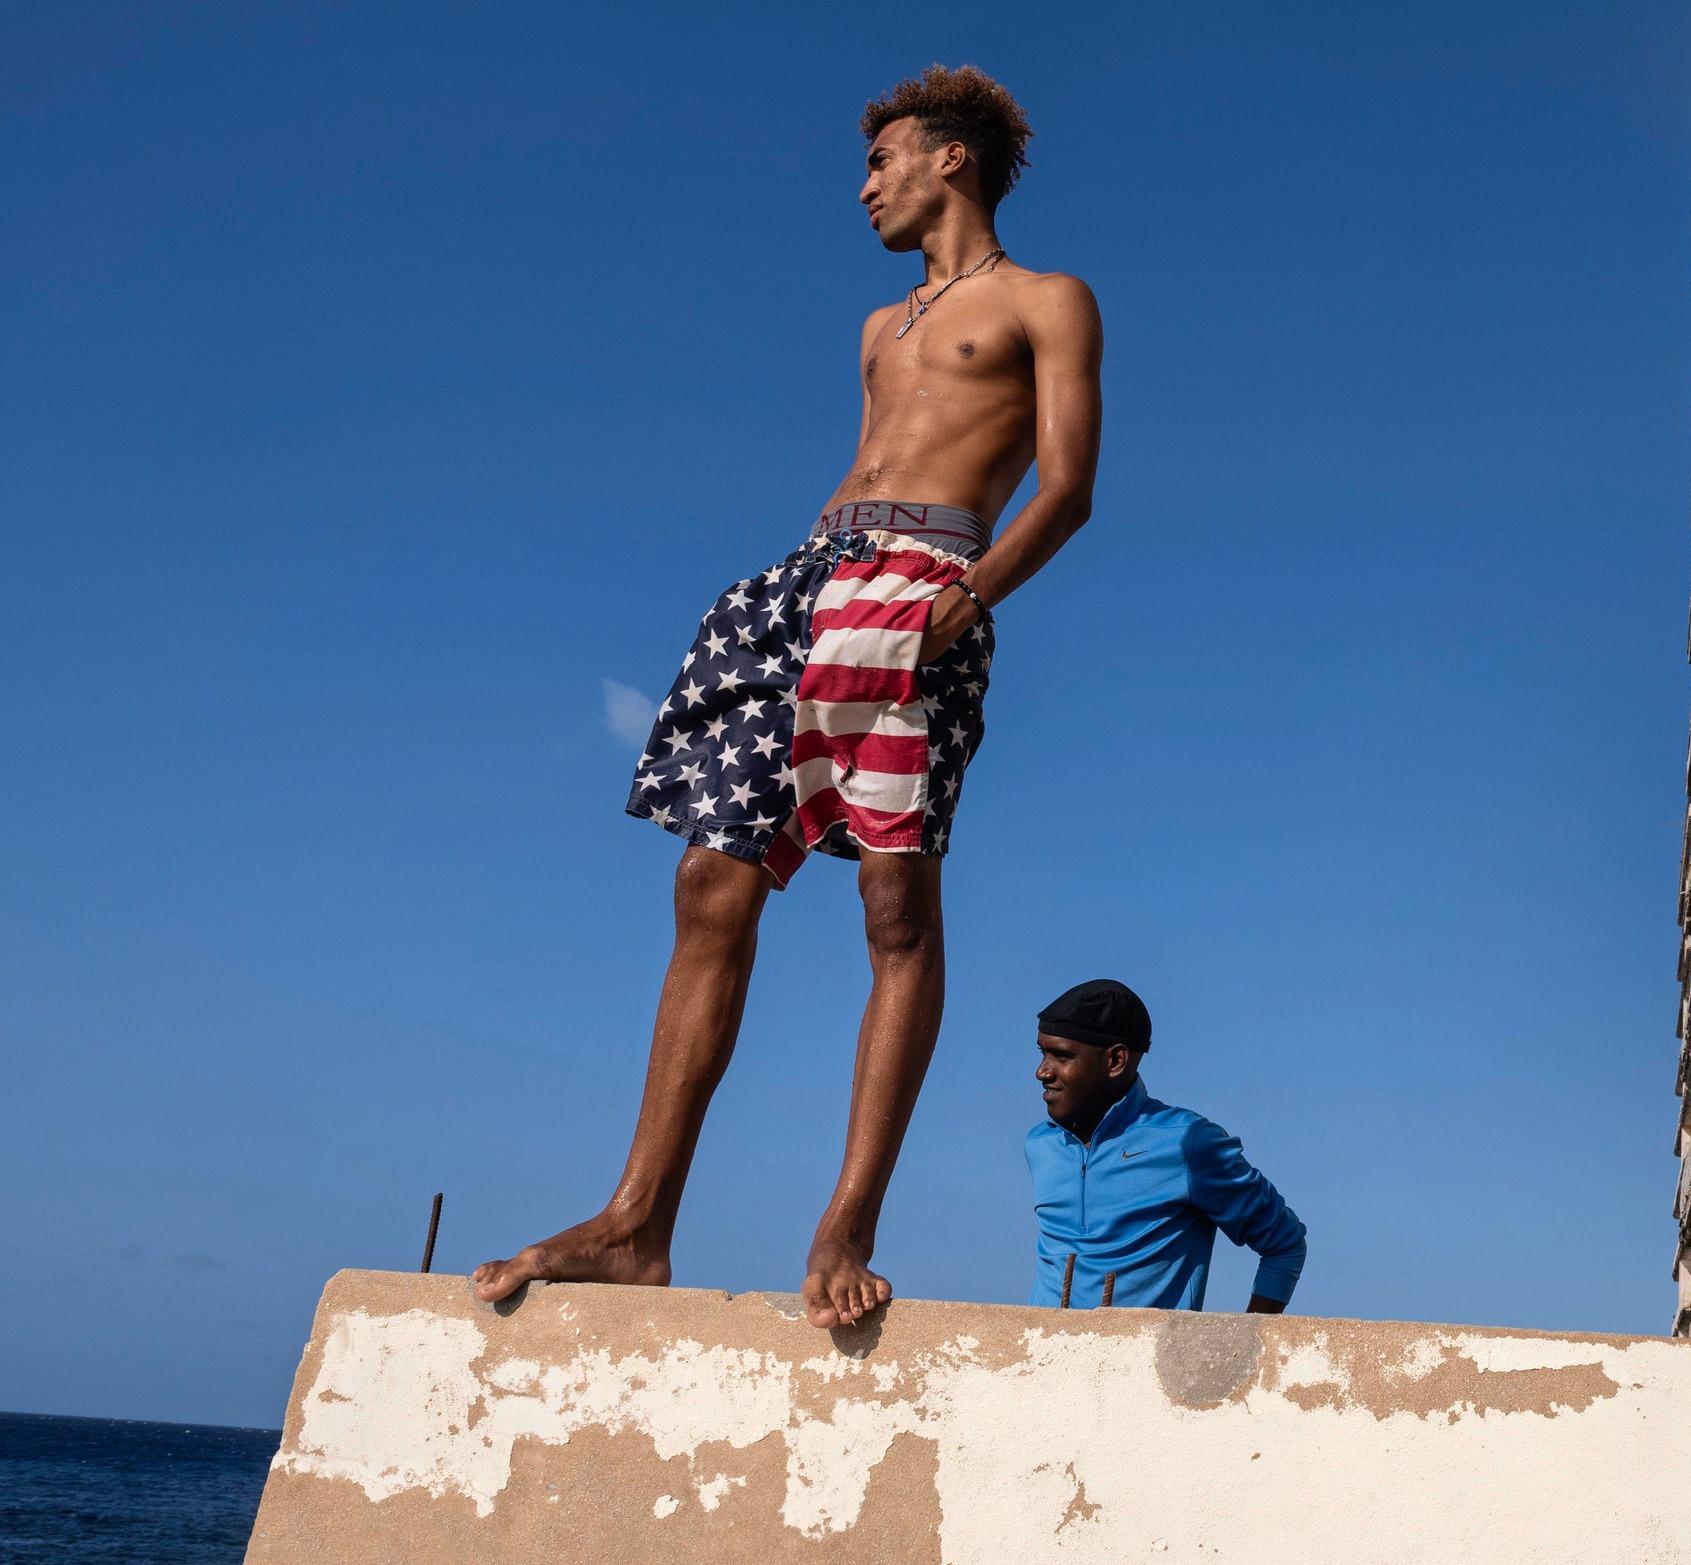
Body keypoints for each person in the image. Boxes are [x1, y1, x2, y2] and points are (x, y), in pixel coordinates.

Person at [475, 67, 1104, 1328]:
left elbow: (1068, 484)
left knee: (893, 908)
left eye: (885, 161)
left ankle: (845, 1222)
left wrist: (964, 601)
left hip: (930, 583)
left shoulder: (1049, 299)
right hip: (809, 581)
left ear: (952, 162)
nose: (866, 185)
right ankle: (636, 1222)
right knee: (711, 879)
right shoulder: (880, 327)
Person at [1025, 981, 1308, 1312]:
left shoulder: (1187, 1143)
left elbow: (1285, 1244)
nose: (1041, 1072)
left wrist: (1247, 1345)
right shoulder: (1040, 1144)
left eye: (1061, 1055)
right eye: (1042, 1053)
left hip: (1150, 1363)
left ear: (1115, 1061)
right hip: (1040, 1361)